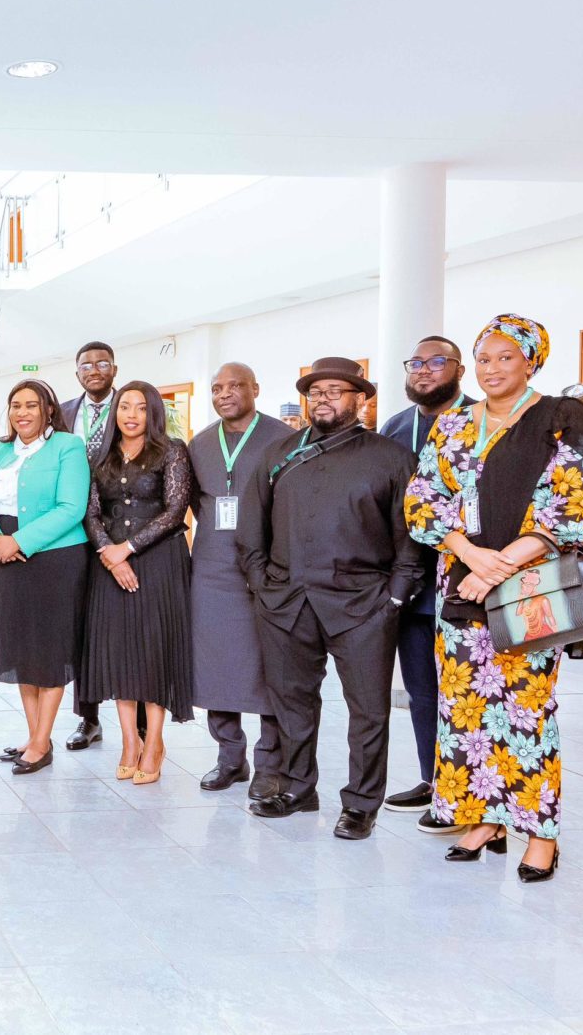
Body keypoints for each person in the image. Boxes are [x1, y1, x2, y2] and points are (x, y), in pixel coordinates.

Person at [406, 315, 583, 882]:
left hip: (532, 587)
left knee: (526, 711)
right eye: (484, 359)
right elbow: (423, 497)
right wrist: (468, 552)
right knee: (464, 710)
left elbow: (577, 502)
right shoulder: (454, 423)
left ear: (532, 361)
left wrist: (499, 565)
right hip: (460, 582)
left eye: (505, 358)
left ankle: (541, 834)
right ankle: (484, 820)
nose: (492, 369)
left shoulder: (562, 419)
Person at [237, 357, 421, 840]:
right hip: (286, 601)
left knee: (367, 710)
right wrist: (262, 584)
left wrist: (395, 600)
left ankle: (361, 803)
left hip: (364, 605)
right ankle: (298, 788)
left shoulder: (391, 457)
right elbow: (250, 527)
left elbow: (411, 539)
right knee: (293, 703)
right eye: (316, 391)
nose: (323, 398)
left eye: (336, 390)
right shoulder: (278, 454)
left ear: (361, 399)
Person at [378, 335, 476, 833]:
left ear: (459, 369)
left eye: (436, 361)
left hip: (467, 578)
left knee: (470, 692)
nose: (423, 370)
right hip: (407, 582)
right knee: (421, 691)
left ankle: (473, 790)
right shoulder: (395, 427)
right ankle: (433, 780)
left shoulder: (483, 422)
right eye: (414, 362)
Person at [78, 381, 194, 784]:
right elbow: (91, 513)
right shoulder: (99, 454)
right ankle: (130, 741)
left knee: (152, 652)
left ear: (153, 414)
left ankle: (155, 741)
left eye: (141, 408)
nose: (131, 415)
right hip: (108, 563)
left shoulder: (172, 451)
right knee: (118, 653)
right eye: (124, 407)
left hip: (159, 561)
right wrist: (111, 555)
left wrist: (127, 548)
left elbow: (176, 509)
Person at [0, 379, 88, 775]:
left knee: (49, 651)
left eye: (31, 405)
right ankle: (34, 733)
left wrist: (18, 540)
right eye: (15, 405)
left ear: (48, 410)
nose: (22, 412)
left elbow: (71, 508)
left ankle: (42, 741)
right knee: (22, 650)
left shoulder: (68, 448)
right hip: (9, 560)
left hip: (54, 559)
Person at [187, 363, 287, 798]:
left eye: (235, 386)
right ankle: (230, 757)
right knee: (214, 664)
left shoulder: (284, 437)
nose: (225, 394)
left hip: (267, 567)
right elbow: (196, 502)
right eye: (217, 388)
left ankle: (271, 764)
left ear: (256, 388)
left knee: (269, 667)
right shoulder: (200, 444)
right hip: (211, 567)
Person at [58, 340, 122, 751]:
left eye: (102, 363)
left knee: (124, 627)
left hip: (120, 532)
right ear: (77, 372)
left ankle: (136, 723)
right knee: (80, 628)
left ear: (114, 368)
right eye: (86, 365)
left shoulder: (133, 405)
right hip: (70, 534)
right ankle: (89, 717)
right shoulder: (63, 413)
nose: (94, 369)